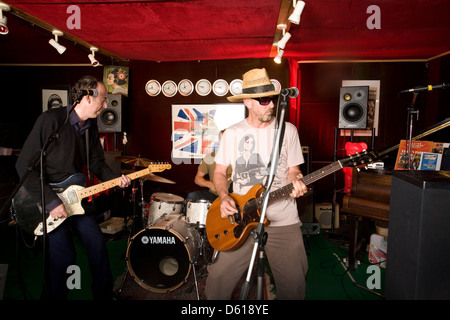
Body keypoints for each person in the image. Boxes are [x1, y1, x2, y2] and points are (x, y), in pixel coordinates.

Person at [15, 75, 131, 300]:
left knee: (97, 244)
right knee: (63, 256)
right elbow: (24, 165)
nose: (106, 105)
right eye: (104, 100)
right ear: (87, 97)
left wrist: (115, 179)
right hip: (49, 201)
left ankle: (104, 295)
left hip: (75, 199)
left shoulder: (90, 128)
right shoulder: (51, 120)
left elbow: (96, 162)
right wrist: (51, 202)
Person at [205, 68, 309, 300]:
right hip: (244, 219)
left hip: (283, 220)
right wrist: (224, 197)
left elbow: (294, 170)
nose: (271, 105)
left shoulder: (288, 131)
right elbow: (220, 172)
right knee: (218, 279)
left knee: (294, 285)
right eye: (264, 100)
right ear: (248, 102)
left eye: (271, 99)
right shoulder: (231, 134)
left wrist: (296, 180)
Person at [186, 131, 232, 202]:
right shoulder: (209, 157)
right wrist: (210, 184)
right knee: (192, 196)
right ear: (219, 141)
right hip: (214, 194)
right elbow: (197, 179)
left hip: (234, 195)